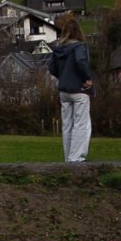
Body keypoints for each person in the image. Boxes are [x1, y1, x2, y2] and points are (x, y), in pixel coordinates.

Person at [47, 13, 93, 162]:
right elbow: (80, 61)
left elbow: (51, 68)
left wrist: (63, 76)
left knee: (67, 125)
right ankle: (77, 157)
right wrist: (87, 78)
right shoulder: (80, 46)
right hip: (79, 89)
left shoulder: (58, 49)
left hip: (64, 91)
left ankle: (68, 157)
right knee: (81, 124)